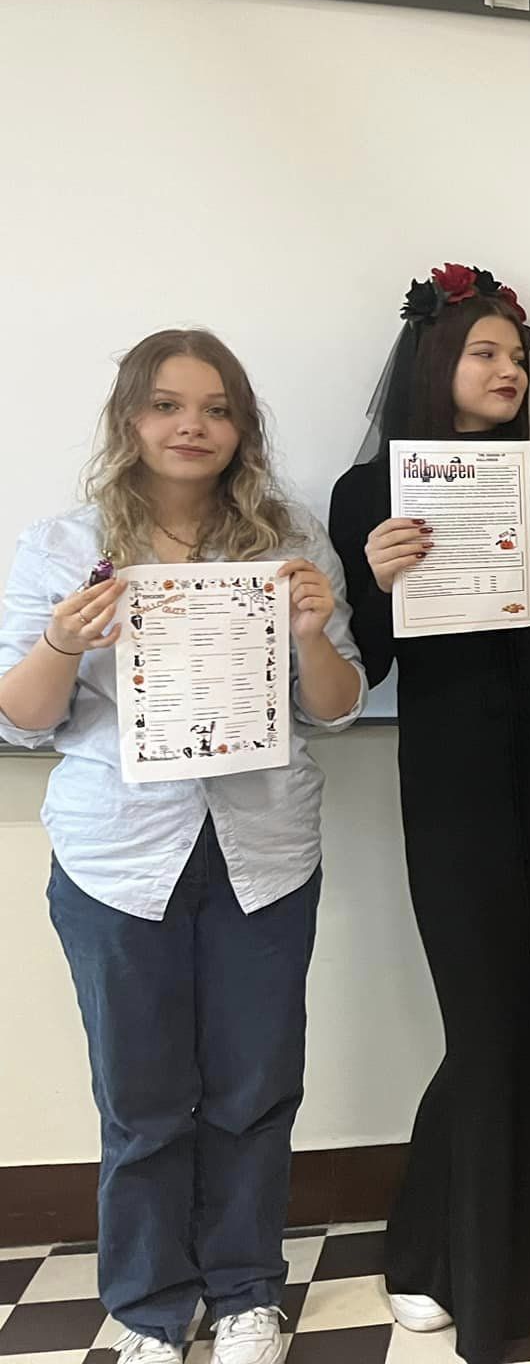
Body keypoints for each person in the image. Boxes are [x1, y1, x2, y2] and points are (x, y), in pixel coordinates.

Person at [0, 329, 366, 1364]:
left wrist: (310, 632)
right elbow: (21, 718)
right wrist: (62, 642)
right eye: (167, 405)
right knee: (142, 1099)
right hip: (118, 859)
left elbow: (337, 708)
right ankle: (152, 1305)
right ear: (131, 418)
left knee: (256, 1088)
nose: (192, 426)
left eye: (216, 408)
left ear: (242, 427)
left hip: (265, 852)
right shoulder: (64, 545)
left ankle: (247, 1290)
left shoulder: (288, 540)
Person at [326, 265, 530, 1364]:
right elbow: (369, 663)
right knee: (486, 1015)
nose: (509, 371)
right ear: (433, 363)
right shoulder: (369, 492)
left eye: (519, 356)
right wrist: (376, 581)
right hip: (450, 775)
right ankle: (428, 1250)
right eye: (485, 352)